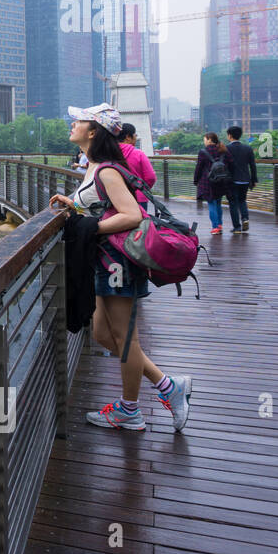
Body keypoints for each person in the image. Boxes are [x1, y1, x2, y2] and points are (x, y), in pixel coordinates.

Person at [49, 102, 191, 432]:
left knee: (126, 339)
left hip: (118, 264)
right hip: (104, 261)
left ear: (94, 131)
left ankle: (131, 410)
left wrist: (90, 227)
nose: (72, 125)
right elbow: (102, 206)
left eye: (78, 121)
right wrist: (76, 206)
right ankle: (169, 386)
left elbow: (132, 214)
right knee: (101, 333)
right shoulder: (94, 166)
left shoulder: (107, 170)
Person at [193, 132, 234, 235]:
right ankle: (219, 225)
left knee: (211, 204)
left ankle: (215, 227)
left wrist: (196, 180)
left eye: (205, 139)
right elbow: (231, 163)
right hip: (222, 181)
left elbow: (199, 168)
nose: (204, 141)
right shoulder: (223, 150)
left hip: (208, 182)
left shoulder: (203, 152)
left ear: (209, 139)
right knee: (218, 203)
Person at [224, 125, 257, 233]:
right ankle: (245, 218)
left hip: (232, 180)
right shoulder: (247, 148)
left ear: (229, 135)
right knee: (242, 201)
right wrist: (254, 180)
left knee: (233, 203)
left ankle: (237, 227)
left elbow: (224, 165)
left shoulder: (227, 148)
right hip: (245, 180)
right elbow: (252, 165)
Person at [118, 123, 157, 206]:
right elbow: (151, 177)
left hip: (116, 197)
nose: (136, 137)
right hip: (139, 197)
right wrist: (142, 189)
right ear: (128, 137)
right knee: (140, 219)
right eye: (135, 135)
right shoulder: (138, 154)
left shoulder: (109, 153)